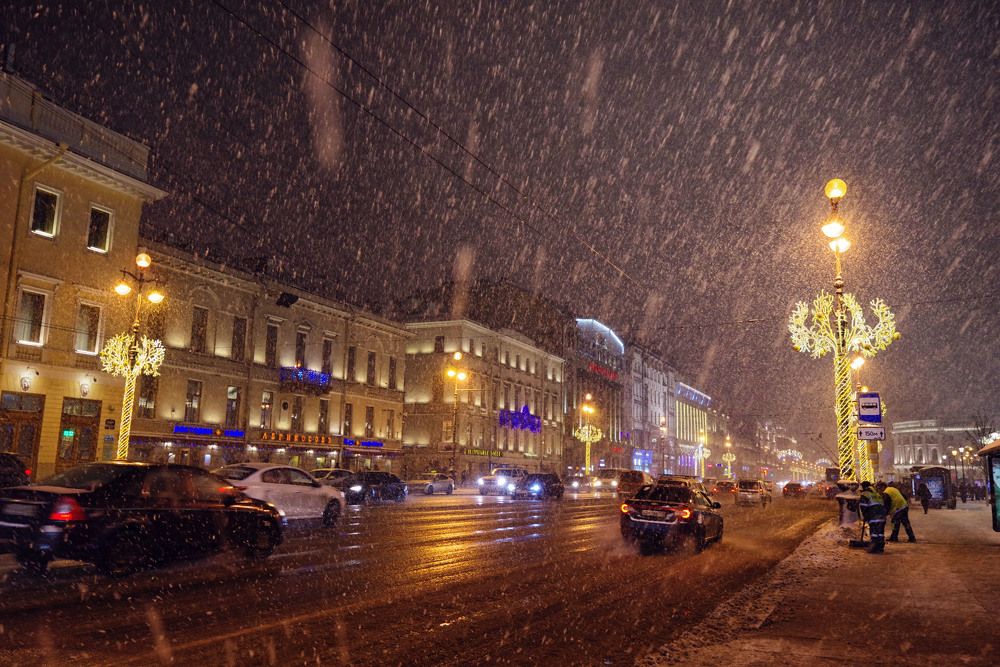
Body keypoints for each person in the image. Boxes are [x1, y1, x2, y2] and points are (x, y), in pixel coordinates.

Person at [858, 481, 887, 553]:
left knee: (874, 532)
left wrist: (865, 515)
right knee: (880, 532)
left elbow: (863, 506)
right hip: (882, 514)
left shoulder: (865, 494)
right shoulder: (875, 493)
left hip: (873, 514)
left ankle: (874, 547)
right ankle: (880, 547)